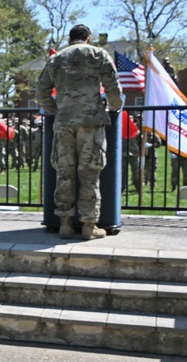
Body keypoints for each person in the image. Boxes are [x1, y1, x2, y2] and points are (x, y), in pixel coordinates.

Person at [36, 24, 123, 240]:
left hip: (64, 123)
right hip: (91, 122)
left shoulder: (56, 58)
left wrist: (55, 109)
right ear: (89, 38)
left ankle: (65, 224)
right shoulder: (98, 54)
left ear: (70, 39)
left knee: (64, 173)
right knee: (89, 174)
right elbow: (113, 88)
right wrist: (114, 108)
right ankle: (88, 226)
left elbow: (40, 92)